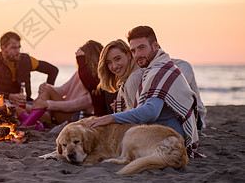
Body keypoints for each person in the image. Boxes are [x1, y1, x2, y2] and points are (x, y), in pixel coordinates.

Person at [88, 26, 200, 156]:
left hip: (168, 142)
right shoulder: (155, 68)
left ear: (155, 46)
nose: (138, 54)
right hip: (165, 137)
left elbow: (150, 112)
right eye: (134, 50)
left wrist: (111, 118)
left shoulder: (152, 73)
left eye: (142, 48)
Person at [0, 31, 59, 126]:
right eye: (13, 48)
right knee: (9, 108)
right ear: (3, 48)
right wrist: (10, 96)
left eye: (19, 47)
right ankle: (33, 122)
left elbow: (53, 70)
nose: (17, 51)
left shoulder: (26, 60)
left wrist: (45, 91)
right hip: (3, 105)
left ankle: (30, 120)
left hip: (27, 103)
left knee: (46, 116)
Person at [29, 40, 103, 125]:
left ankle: (26, 124)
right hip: (64, 110)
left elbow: (79, 104)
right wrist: (46, 87)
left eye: (81, 57)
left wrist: (48, 104)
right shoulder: (79, 73)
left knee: (43, 96)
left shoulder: (96, 79)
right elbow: (62, 90)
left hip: (74, 116)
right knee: (45, 89)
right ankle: (31, 123)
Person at [97, 39, 143, 113]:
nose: (114, 66)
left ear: (128, 55)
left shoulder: (134, 78)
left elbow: (138, 116)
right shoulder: (128, 78)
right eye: (109, 63)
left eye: (117, 59)